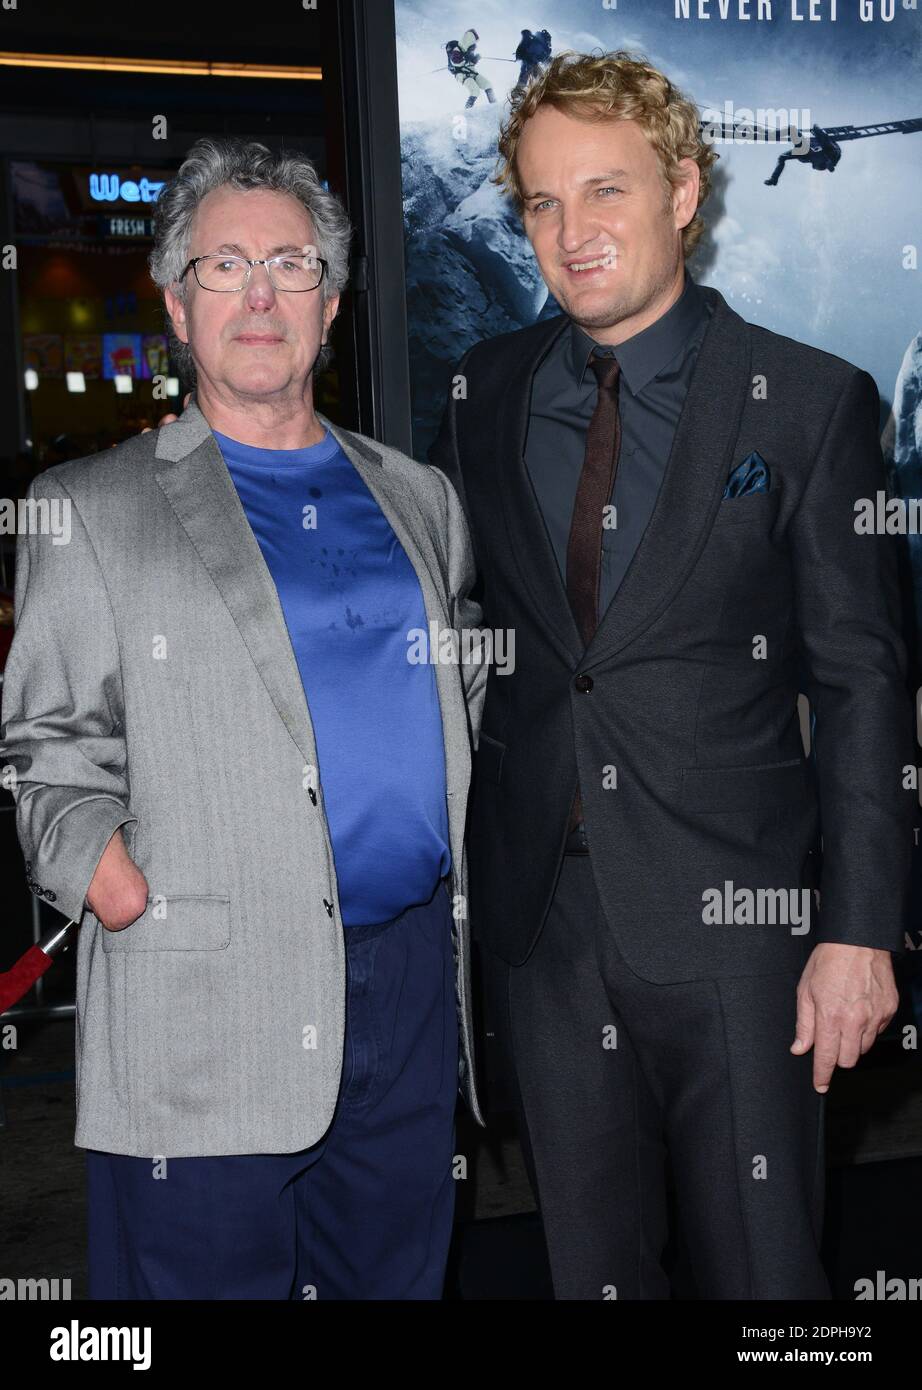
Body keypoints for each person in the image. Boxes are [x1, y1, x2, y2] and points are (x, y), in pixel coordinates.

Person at [428, 50, 915, 1299]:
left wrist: (859, 929)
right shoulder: (486, 393)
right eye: (541, 202)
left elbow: (863, 683)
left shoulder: (808, 402)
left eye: (606, 191)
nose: (572, 231)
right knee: (588, 1271)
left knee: (768, 1278)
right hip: (546, 927)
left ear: (684, 191)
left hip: (739, 934)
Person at [0, 137, 488, 1300]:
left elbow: (460, 681)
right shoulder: (87, 506)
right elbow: (43, 745)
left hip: (413, 981)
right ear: (176, 301)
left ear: (331, 300)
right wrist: (110, 878)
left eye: (291, 262)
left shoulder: (418, 496)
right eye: (225, 266)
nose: (261, 294)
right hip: (201, 992)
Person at [446, 29, 496, 109]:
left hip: (472, 72)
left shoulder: (468, 49)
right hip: (463, 75)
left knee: (487, 84)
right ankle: (467, 109)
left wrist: (475, 59)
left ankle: (494, 104)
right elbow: (457, 62)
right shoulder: (456, 51)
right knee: (475, 91)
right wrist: (469, 59)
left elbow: (471, 63)